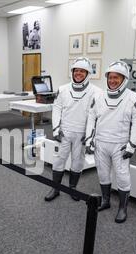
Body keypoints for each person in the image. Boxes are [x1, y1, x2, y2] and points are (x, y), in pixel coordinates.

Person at [85, 61, 136, 223]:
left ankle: (122, 208)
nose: (112, 81)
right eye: (110, 77)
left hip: (120, 145)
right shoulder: (98, 97)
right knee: (103, 173)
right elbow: (91, 118)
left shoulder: (134, 98)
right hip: (101, 142)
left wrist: (132, 146)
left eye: (116, 78)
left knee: (122, 176)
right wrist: (89, 139)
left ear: (124, 79)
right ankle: (106, 201)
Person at [44, 57, 102, 202]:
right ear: (72, 72)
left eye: (82, 71)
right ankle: (55, 188)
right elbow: (56, 109)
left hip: (82, 134)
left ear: (88, 73)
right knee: (58, 161)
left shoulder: (97, 91)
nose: (78, 73)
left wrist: (90, 136)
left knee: (78, 162)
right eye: (76, 70)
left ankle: (72, 188)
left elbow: (97, 116)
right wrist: (56, 129)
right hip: (64, 132)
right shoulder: (63, 89)